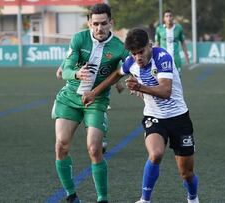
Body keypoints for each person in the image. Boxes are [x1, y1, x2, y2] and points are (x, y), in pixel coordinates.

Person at [82, 28, 199, 203]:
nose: (138, 57)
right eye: (134, 53)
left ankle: (192, 197)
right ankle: (145, 199)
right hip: (154, 117)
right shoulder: (131, 62)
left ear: (150, 46)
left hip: (179, 118)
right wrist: (94, 92)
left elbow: (166, 90)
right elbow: (116, 75)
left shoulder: (162, 58)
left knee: (186, 173)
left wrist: (139, 87)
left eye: (141, 52)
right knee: (156, 153)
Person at [50, 3, 129, 203]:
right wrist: (76, 73)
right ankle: (71, 195)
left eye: (103, 24)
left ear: (111, 23)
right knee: (61, 145)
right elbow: (66, 69)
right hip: (69, 98)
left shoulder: (119, 47)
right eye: (95, 24)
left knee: (94, 149)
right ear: (89, 23)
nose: (99, 28)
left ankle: (102, 198)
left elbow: (131, 66)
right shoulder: (79, 39)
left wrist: (132, 80)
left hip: (97, 100)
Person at [155, 9, 190, 74]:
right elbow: (157, 43)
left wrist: (186, 55)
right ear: (164, 18)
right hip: (164, 58)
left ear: (172, 17)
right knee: (165, 79)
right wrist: (155, 57)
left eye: (170, 16)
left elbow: (183, 42)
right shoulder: (159, 29)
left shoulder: (178, 28)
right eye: (166, 16)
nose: (169, 18)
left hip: (176, 58)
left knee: (177, 78)